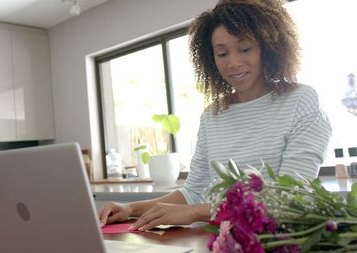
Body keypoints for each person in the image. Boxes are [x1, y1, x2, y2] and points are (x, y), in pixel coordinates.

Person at [99, 0, 332, 231]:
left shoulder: (300, 101)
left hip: (274, 240)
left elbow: (291, 198)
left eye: (245, 49)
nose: (233, 63)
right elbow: (193, 191)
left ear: (268, 46)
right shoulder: (212, 115)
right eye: (222, 53)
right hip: (219, 240)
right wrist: (130, 208)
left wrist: (197, 212)